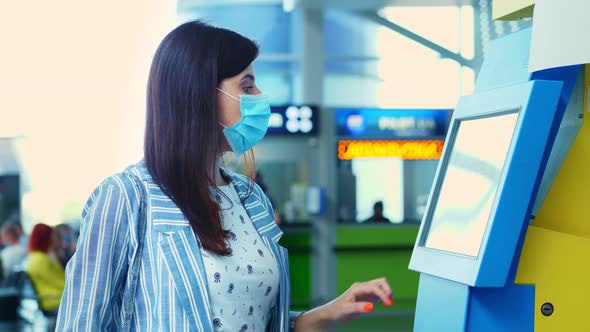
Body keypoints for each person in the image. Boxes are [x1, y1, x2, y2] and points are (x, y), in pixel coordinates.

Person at [57, 20, 393, 331]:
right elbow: (80, 322)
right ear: (200, 95)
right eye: (246, 87)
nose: (260, 98)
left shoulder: (250, 198)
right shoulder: (127, 197)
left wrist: (328, 312)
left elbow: (253, 318)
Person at [26, 223, 65, 314]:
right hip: (55, 300)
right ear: (45, 238)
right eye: (52, 237)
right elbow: (62, 284)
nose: (54, 239)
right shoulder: (42, 260)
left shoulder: (34, 256)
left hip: (51, 299)